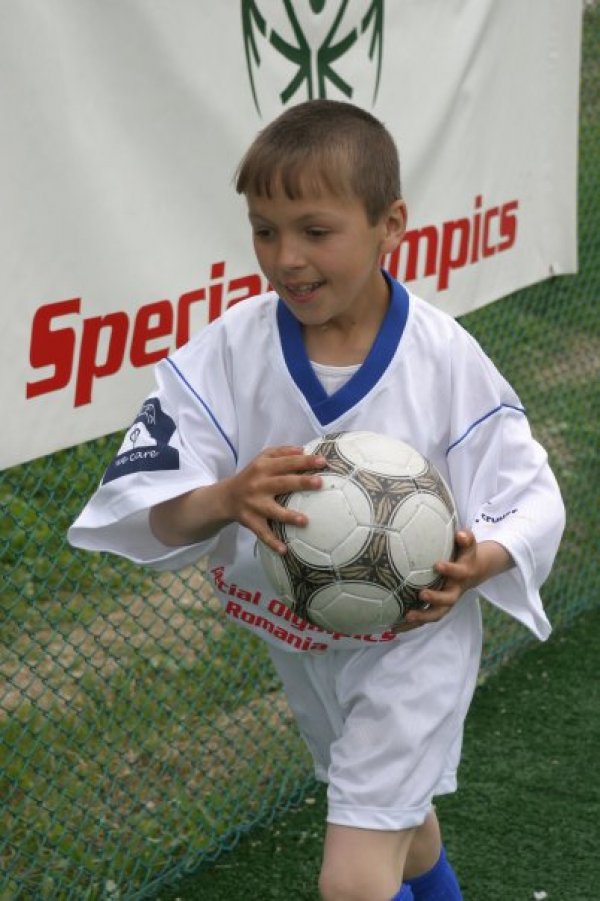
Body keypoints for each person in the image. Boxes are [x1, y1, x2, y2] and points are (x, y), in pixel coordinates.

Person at [69, 99, 565, 901]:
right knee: (398, 827)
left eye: (314, 230)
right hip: (302, 635)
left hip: (415, 642)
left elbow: (526, 488)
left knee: (353, 879)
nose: (286, 257)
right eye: (265, 230)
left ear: (389, 224)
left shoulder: (443, 359)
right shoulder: (229, 349)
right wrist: (224, 496)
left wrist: (486, 557)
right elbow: (150, 503)